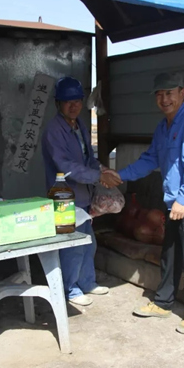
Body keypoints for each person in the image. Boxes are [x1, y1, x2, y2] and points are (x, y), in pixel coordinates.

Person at [106, 72, 184, 334]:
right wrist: (121, 175)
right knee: (170, 255)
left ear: (182, 93)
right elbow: (149, 159)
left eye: (169, 93)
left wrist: (183, 200)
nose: (164, 99)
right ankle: (164, 303)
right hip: (176, 203)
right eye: (159, 94)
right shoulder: (163, 127)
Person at [42, 76, 121, 306]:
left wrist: (103, 170)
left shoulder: (80, 126)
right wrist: (98, 176)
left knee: (88, 242)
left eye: (77, 100)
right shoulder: (54, 131)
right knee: (72, 247)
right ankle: (71, 289)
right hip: (64, 198)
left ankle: (87, 282)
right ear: (58, 103)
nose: (73, 105)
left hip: (83, 196)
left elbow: (88, 159)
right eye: (68, 101)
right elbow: (65, 166)